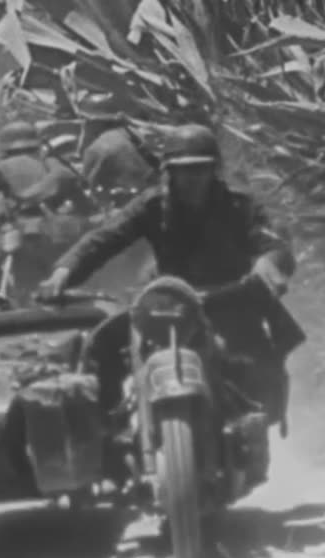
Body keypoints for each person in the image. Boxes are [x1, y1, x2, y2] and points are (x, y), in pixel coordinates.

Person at [37, 123, 302, 428]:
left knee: (259, 368)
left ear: (214, 170)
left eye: (200, 170)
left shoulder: (240, 204)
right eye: (183, 171)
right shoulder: (151, 205)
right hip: (169, 303)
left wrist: (269, 263)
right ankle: (110, 432)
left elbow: (273, 243)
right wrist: (63, 271)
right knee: (102, 347)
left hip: (230, 301)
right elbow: (105, 239)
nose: (192, 179)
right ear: (168, 171)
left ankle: (251, 428)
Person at [0, 120, 93, 302]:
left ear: (4, 149)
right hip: (64, 234)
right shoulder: (53, 164)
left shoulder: (0, 168)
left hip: (28, 237)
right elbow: (85, 206)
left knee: (27, 293)